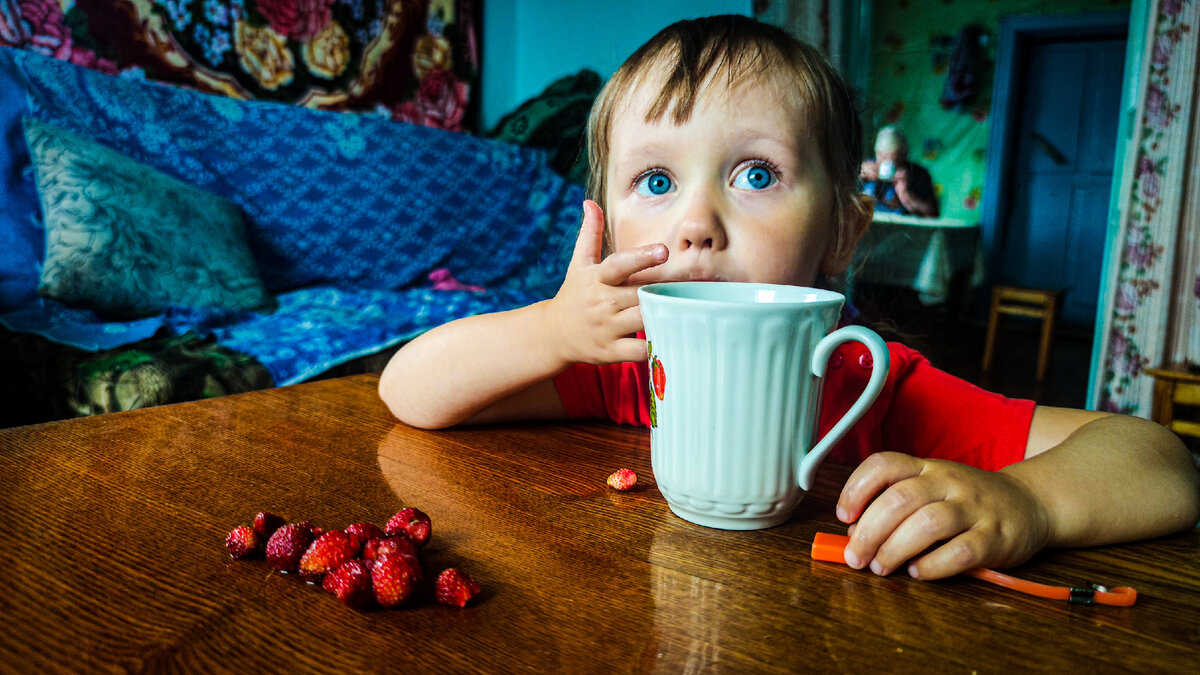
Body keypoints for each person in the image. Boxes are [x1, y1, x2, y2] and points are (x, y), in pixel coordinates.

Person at [380, 16, 1199, 582]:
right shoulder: (623, 364)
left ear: (843, 231)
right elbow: (409, 389)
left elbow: (1160, 461)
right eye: (656, 180)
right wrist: (554, 330)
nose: (697, 222)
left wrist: (1030, 502)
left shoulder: (881, 388)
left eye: (756, 174)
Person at [860, 125, 940, 217]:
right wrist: (857, 173)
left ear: (904, 156)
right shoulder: (865, 168)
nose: (888, 162)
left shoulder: (918, 174)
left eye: (896, 159)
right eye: (883, 157)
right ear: (876, 152)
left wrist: (907, 195)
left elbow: (933, 214)